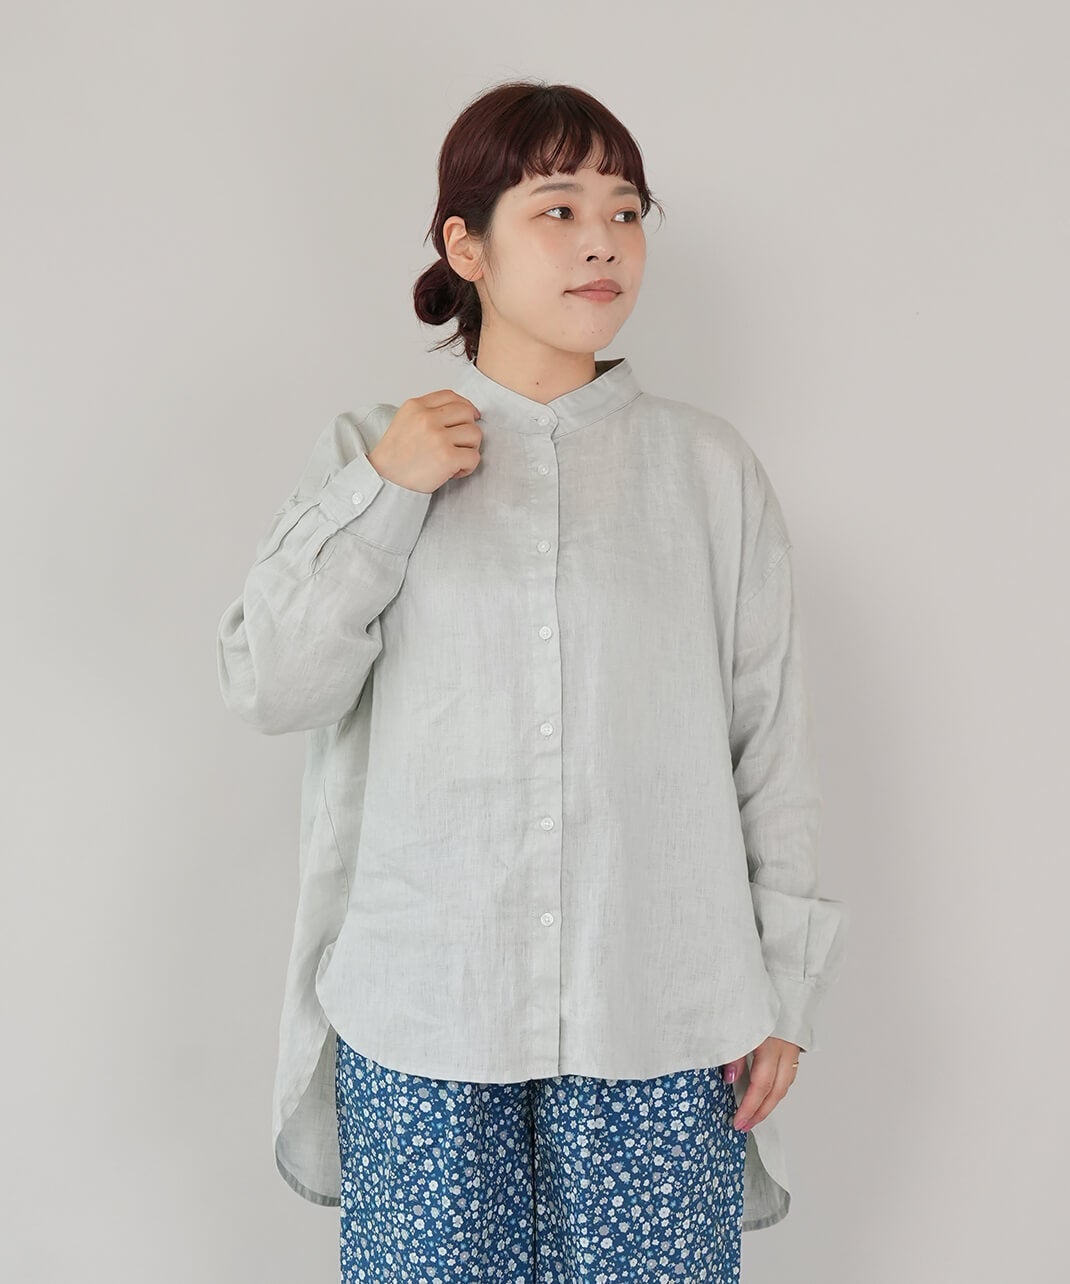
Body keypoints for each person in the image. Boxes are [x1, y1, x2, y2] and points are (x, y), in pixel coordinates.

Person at [216, 78, 849, 1282]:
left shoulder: (706, 472)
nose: (601, 239)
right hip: (426, 1013)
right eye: (556, 208)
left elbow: (768, 745)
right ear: (467, 246)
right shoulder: (370, 452)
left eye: (624, 209)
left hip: (661, 1014)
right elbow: (272, 685)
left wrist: (784, 990)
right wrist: (388, 491)